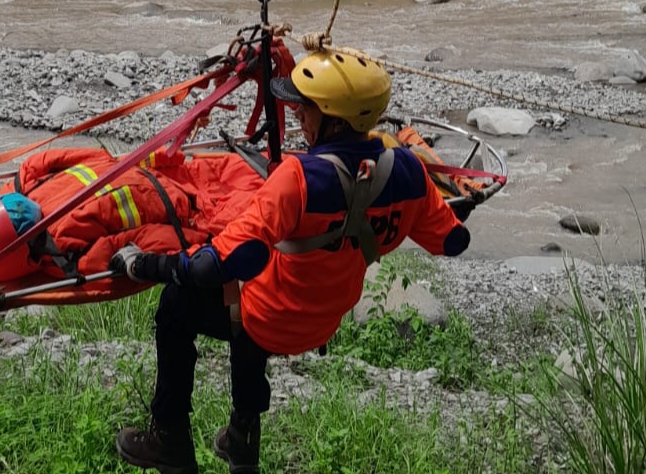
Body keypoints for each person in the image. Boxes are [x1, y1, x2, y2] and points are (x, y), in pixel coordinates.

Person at [109, 48, 471, 474]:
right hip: (324, 319)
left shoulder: (298, 179)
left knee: (179, 304)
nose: (296, 113)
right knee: (259, 287)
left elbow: (215, 266)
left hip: (267, 321)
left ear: (336, 119)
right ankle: (241, 440)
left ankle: (169, 440)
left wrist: (143, 264)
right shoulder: (408, 171)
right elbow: (453, 241)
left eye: (306, 107)